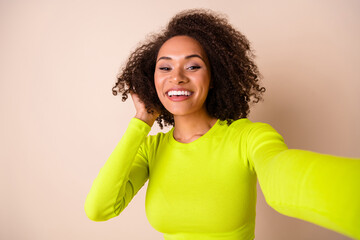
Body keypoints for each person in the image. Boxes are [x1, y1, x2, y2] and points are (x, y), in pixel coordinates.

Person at [84, 9, 360, 240]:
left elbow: (283, 181)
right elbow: (99, 208)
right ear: (152, 79)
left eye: (192, 66)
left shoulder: (248, 137)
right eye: (165, 67)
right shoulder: (150, 149)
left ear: (214, 76)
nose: (177, 77)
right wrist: (141, 122)